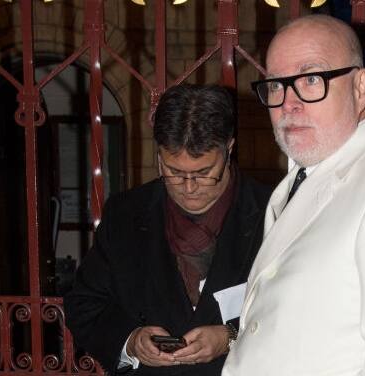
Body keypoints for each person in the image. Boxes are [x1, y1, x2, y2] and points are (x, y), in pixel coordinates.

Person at [222, 15, 365, 376]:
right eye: (275, 85)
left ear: (360, 87)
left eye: (312, 78)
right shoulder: (295, 184)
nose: (288, 103)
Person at [64, 84, 271, 376]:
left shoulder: (274, 212)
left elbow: (300, 313)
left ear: (229, 148)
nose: (189, 188)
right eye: (174, 172)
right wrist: (131, 341)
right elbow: (84, 305)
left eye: (203, 173)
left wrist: (230, 337)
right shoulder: (126, 213)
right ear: (159, 155)